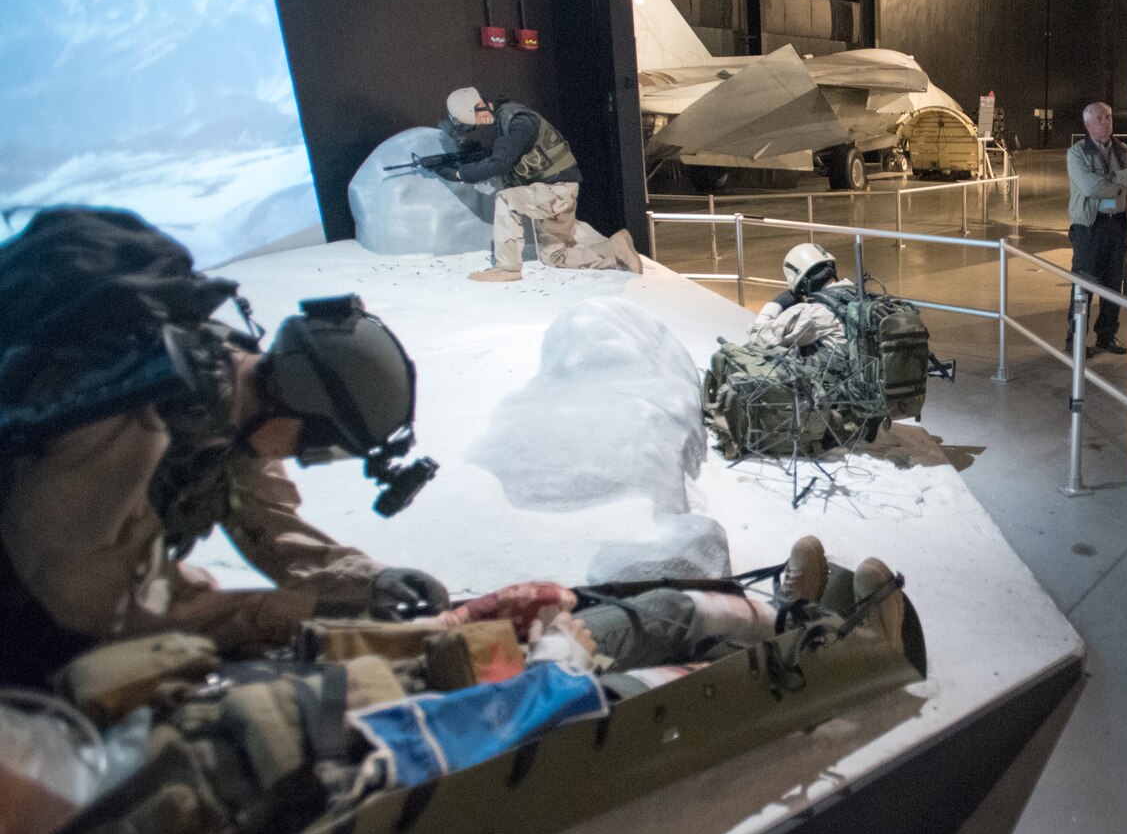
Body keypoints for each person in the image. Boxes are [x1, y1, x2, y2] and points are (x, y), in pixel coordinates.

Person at [0, 212, 446, 687]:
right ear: (292, 406)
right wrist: (285, 613)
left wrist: (371, 582)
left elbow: (271, 524)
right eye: (318, 448)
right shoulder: (133, 423)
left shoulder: (233, 386)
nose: (300, 458)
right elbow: (101, 612)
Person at [438, 86, 644, 283]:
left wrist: (459, 174)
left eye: (475, 118)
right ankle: (615, 250)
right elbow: (500, 156)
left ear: (477, 105)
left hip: (556, 190)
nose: (478, 123)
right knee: (554, 257)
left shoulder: (519, 122)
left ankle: (507, 268)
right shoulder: (507, 122)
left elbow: (499, 162)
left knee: (507, 199)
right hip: (556, 192)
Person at [1066, 102, 1127, 356]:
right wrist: (1122, 181)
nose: (1107, 122)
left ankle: (1107, 335)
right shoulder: (1077, 153)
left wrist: (1113, 178)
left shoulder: (1122, 150)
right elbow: (1090, 188)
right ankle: (1075, 339)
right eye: (1100, 118)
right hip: (1090, 228)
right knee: (1084, 285)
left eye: (1109, 117)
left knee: (1113, 284)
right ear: (1087, 124)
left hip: (1118, 226)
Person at [746, 243, 856, 351]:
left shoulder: (812, 313)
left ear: (803, 282)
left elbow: (757, 339)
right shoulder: (856, 295)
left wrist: (775, 305)